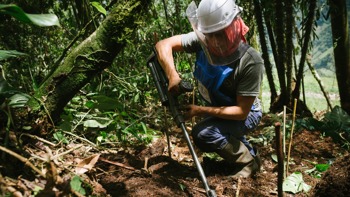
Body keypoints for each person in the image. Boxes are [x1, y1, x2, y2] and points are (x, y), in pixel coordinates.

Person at [155, 0, 264, 178]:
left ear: (234, 26)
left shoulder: (250, 61)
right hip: (219, 106)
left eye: (221, 34)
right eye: (210, 35)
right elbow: (163, 45)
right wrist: (172, 74)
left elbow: (241, 111)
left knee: (204, 133)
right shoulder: (202, 40)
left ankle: (248, 162)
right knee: (214, 130)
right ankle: (248, 154)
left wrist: (200, 110)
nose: (215, 41)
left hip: (247, 112)